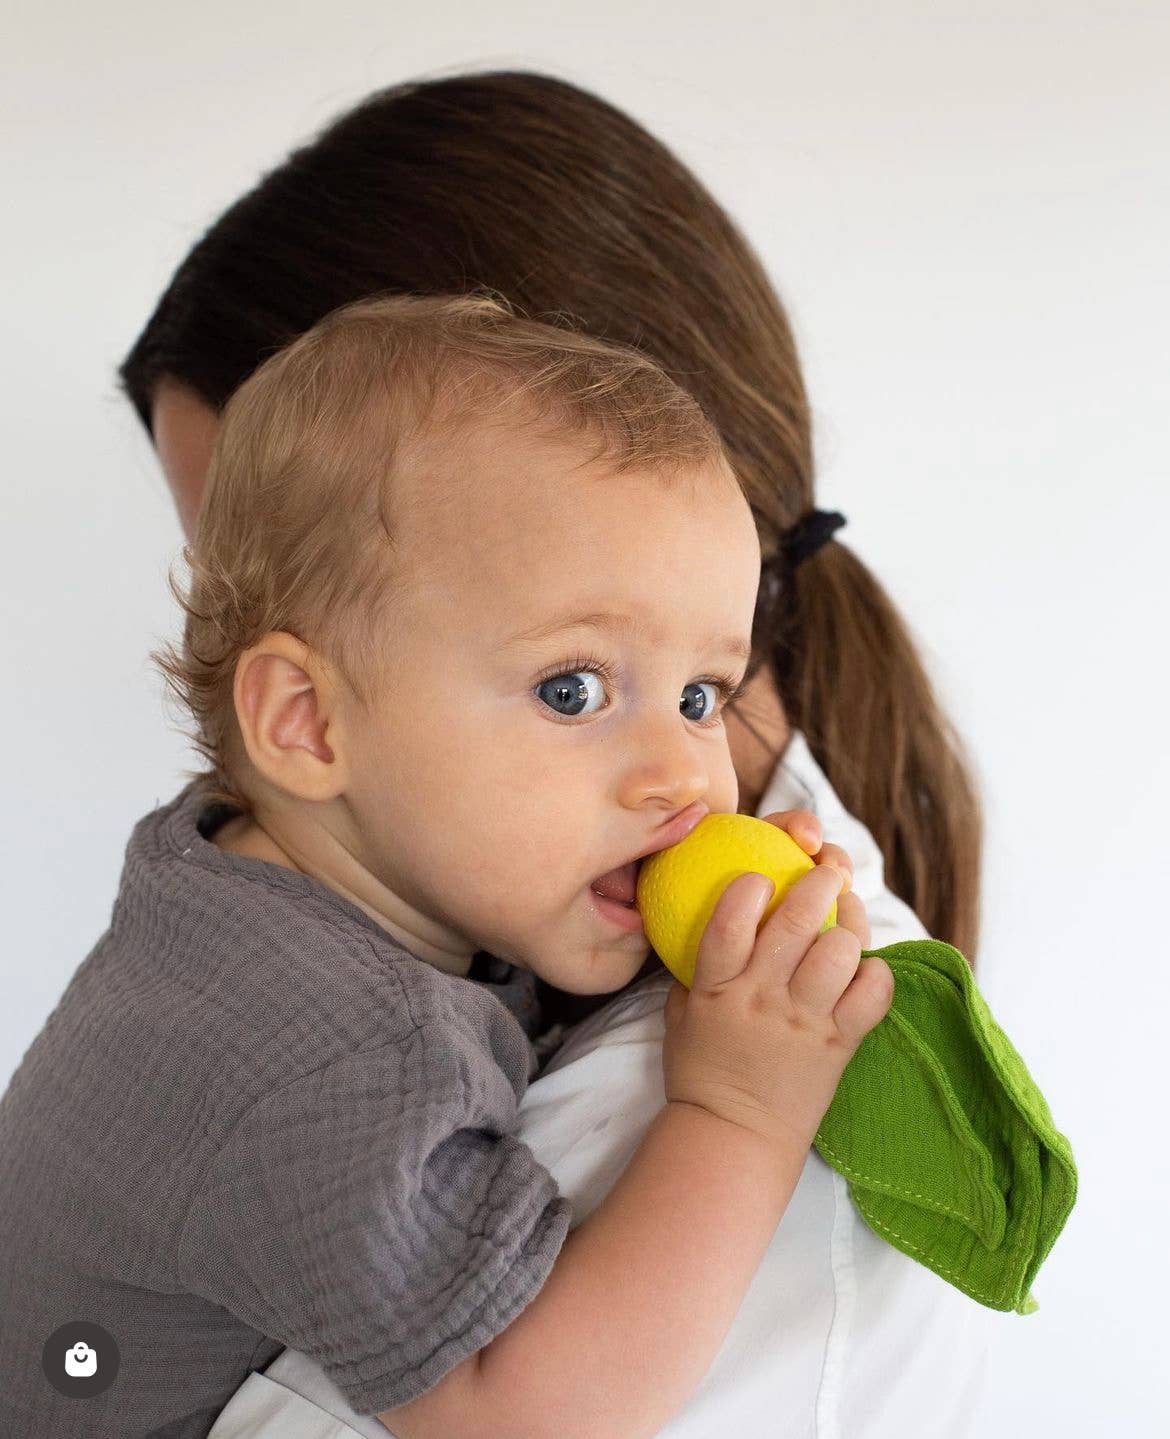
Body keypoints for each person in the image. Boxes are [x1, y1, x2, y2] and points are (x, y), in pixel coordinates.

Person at [110, 71, 993, 1437]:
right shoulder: (401, 960)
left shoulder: (760, 1079)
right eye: (222, 586)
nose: (246, 702)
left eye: (661, 690)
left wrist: (733, 1119)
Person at [0, 290, 888, 1437]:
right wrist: (742, 1105)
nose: (684, 775)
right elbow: (523, 1414)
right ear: (307, 722)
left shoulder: (231, 873)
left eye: (700, 695)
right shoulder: (334, 1052)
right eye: (573, 687)